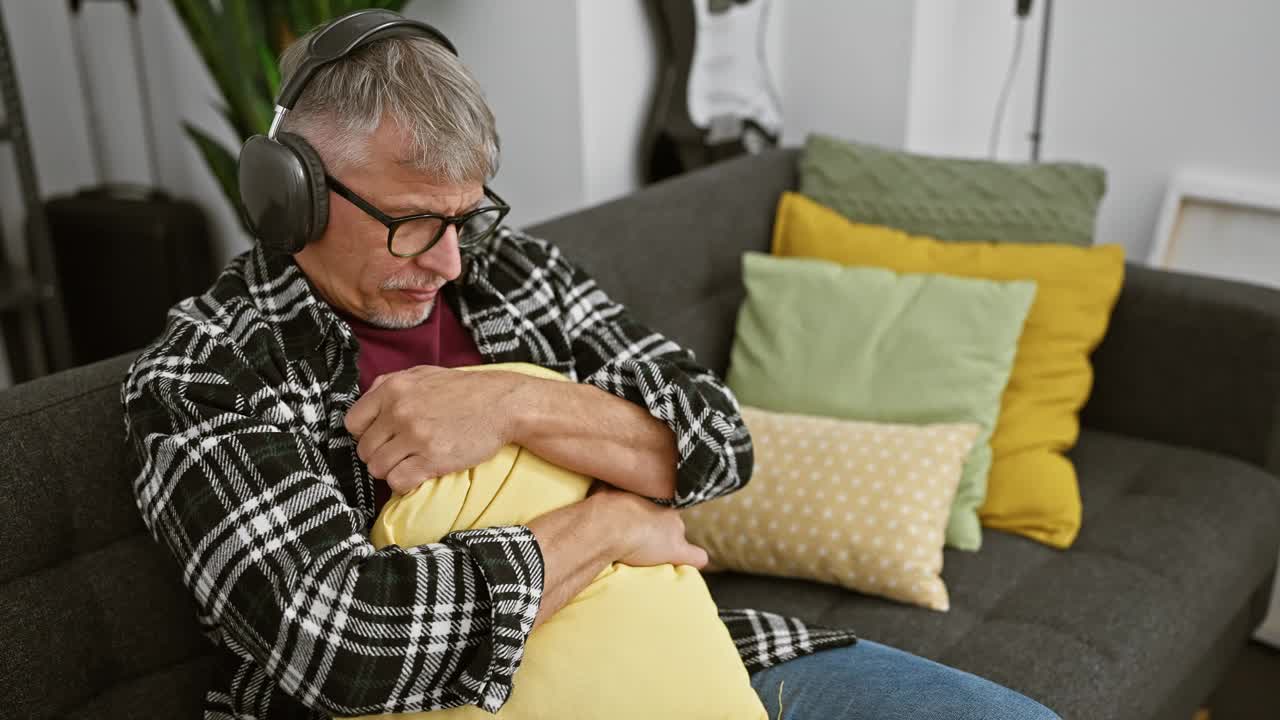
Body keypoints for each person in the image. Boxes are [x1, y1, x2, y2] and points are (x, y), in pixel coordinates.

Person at [122, 10, 1060, 720]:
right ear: (293, 194)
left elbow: (717, 440)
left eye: (463, 218)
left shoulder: (509, 272)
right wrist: (609, 525)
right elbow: (340, 642)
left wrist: (511, 407)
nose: (448, 262)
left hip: (686, 650)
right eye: (412, 224)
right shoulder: (205, 375)